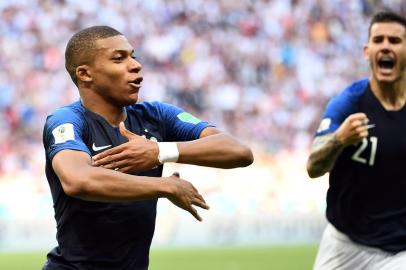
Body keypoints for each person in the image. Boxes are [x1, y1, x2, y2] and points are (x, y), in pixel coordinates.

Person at [42, 25, 253, 270]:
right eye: (119, 58)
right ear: (85, 74)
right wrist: (164, 186)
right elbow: (77, 179)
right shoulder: (67, 120)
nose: (135, 65)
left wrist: (160, 151)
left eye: (133, 55)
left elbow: (239, 151)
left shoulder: (155, 115)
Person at [307, 10, 406, 270]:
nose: (386, 46)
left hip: (399, 252)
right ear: (367, 51)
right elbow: (313, 166)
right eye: (379, 40)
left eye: (394, 41)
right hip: (344, 244)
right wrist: (339, 139)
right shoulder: (349, 102)